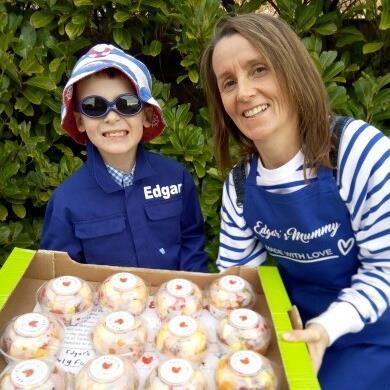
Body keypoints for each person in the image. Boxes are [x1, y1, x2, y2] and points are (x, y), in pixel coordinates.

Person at [201, 13, 389, 390]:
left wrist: (326, 328)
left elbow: (385, 270)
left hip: (371, 334)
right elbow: (238, 284)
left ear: (291, 69)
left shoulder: (358, 152)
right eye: (228, 82)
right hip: (295, 336)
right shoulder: (240, 185)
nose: (244, 93)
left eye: (259, 70)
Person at [40, 43, 208, 272]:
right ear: (80, 121)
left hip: (175, 303)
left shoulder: (176, 178)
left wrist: (190, 291)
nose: (111, 117)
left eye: (127, 104)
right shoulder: (66, 202)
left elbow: (192, 240)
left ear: (147, 115)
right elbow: (60, 275)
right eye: (94, 106)